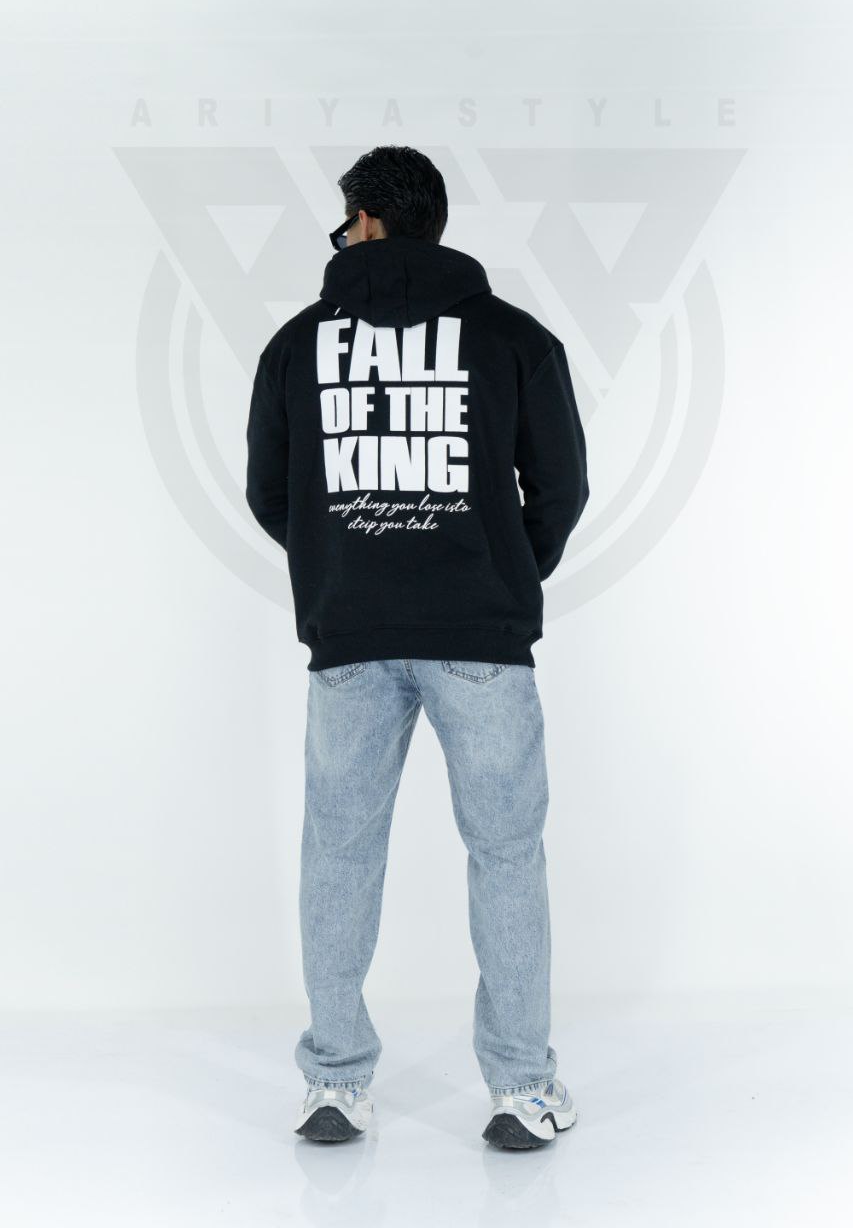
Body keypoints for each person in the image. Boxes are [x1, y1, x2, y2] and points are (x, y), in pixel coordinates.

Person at [245, 145, 590, 1150]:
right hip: (481, 637)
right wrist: (497, 569)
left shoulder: (297, 346)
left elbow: (272, 492)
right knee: (507, 853)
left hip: (349, 636)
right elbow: (561, 485)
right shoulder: (512, 338)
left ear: (363, 220)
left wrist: (344, 561)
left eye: (344, 222)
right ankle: (522, 1089)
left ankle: (333, 1083)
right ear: (431, 223)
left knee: (338, 853)